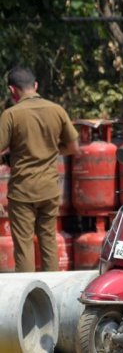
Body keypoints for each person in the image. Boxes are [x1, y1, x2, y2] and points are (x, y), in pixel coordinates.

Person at [0, 66, 79, 272]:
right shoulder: (57, 110)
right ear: (35, 85)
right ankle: (50, 297)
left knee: (24, 247)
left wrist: (10, 158)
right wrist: (51, 150)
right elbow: (73, 147)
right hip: (49, 189)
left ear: (12, 90)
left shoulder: (11, 115)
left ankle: (27, 300)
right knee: (48, 241)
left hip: (22, 191)